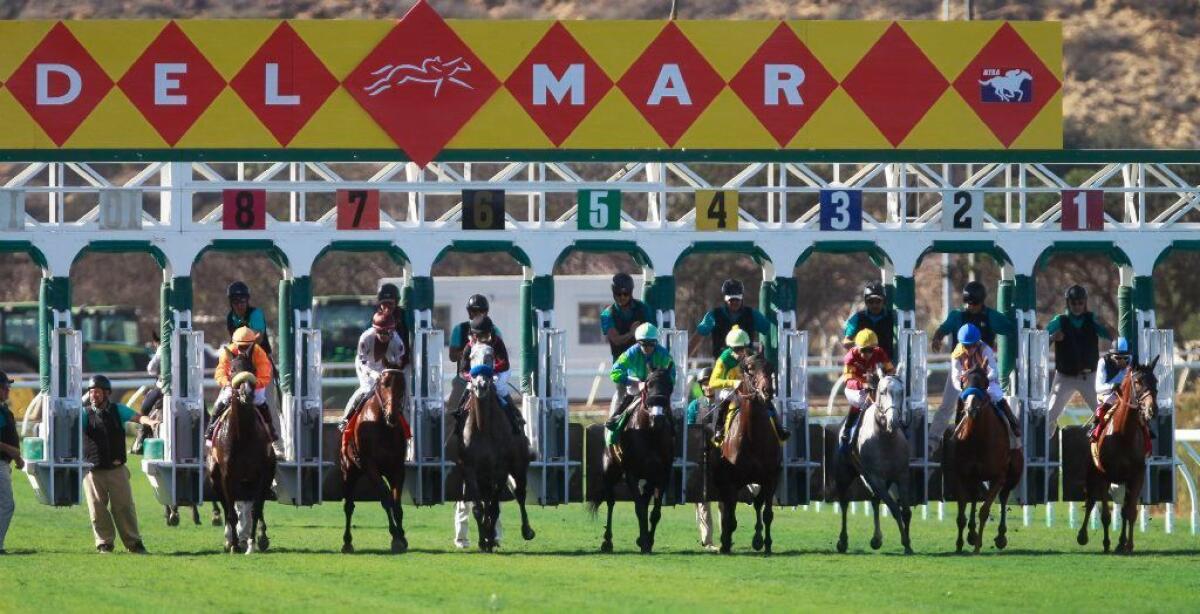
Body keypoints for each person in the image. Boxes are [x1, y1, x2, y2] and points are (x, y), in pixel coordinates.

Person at [452, 314, 515, 551]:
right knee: (460, 406)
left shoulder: (497, 343)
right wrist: (474, 375)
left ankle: (515, 422)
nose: (483, 338)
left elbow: (504, 364)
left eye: (486, 335)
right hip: (474, 382)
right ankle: (454, 428)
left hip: (495, 379)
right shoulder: (469, 346)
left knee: (504, 398)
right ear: (474, 335)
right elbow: (462, 371)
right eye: (480, 336)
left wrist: (490, 372)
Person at [929, 281, 1016, 443]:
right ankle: (932, 441)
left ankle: (1012, 433)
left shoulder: (991, 317)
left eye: (974, 303)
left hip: (983, 370)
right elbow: (944, 328)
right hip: (962, 370)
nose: (970, 306)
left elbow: (1011, 329)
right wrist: (937, 337)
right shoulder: (957, 316)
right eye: (967, 302)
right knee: (947, 405)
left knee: (997, 398)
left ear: (982, 301)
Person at [80, 375, 157, 553]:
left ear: (107, 393)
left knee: (124, 507)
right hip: (93, 471)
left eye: (97, 392)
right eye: (91, 392)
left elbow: (138, 418)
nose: (94, 395)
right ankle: (104, 543)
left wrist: (150, 422)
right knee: (97, 509)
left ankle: (134, 543)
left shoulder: (118, 410)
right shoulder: (84, 413)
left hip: (117, 469)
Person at [707, 326, 789, 445]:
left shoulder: (751, 355)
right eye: (736, 349)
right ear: (730, 347)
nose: (740, 352)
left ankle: (779, 428)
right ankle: (719, 430)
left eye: (742, 348)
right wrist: (733, 383)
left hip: (749, 389)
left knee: (766, 400)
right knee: (724, 400)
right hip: (730, 390)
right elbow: (713, 382)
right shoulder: (723, 360)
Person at [1046, 285, 1115, 426]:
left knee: (1104, 413)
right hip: (1064, 377)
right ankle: (1043, 443)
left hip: (1089, 377)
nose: (1077, 306)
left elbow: (1115, 338)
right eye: (1073, 303)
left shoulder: (1092, 319)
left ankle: (1106, 444)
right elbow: (1040, 341)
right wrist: (1052, 338)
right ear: (1068, 303)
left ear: (1085, 303)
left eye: (1080, 303)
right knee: (1050, 414)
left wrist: (1107, 325)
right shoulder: (1060, 320)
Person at [206, 327, 278, 453]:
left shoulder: (259, 353)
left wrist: (255, 383)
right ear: (234, 343)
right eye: (240, 346)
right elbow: (220, 372)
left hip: (254, 383)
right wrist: (227, 383)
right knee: (221, 401)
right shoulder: (228, 352)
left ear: (252, 344)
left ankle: (271, 431)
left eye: (246, 346)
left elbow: (265, 375)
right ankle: (210, 432)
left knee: (261, 401)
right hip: (232, 384)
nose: (242, 349)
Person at [948, 324, 1021, 440]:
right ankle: (957, 428)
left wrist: (982, 377)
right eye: (966, 346)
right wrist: (963, 384)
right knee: (960, 399)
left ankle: (1013, 423)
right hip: (967, 385)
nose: (969, 349)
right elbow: (955, 378)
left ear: (977, 342)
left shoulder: (985, 349)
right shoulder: (956, 354)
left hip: (986, 382)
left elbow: (994, 371)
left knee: (996, 395)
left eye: (972, 345)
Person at [338, 312, 406, 432]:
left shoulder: (398, 343)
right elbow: (362, 362)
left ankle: (405, 425)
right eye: (380, 332)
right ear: (375, 330)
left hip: (386, 367)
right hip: (366, 365)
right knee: (367, 389)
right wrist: (373, 374)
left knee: (395, 393)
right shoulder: (365, 338)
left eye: (387, 332)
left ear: (392, 331)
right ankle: (346, 418)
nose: (384, 336)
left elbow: (399, 365)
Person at [601, 273, 652, 422]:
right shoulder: (607, 314)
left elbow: (651, 333)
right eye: (618, 294)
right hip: (622, 361)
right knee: (622, 392)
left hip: (643, 359)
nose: (622, 297)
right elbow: (616, 340)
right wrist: (632, 332)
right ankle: (612, 425)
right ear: (613, 292)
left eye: (626, 293)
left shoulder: (643, 309)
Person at [608, 323, 677, 429]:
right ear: (638, 342)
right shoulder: (631, 353)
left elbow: (672, 375)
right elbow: (614, 372)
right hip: (635, 387)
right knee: (614, 422)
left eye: (651, 344)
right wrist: (634, 382)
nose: (648, 347)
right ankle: (612, 435)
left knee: (672, 421)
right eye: (644, 344)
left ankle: (675, 431)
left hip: (656, 390)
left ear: (656, 343)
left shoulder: (663, 354)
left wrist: (659, 384)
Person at [839, 329, 896, 452]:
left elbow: (891, 370)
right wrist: (862, 385)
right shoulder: (850, 357)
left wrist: (885, 379)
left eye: (871, 350)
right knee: (863, 400)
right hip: (854, 389)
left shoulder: (879, 352)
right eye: (864, 350)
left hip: (873, 386)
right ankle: (847, 431)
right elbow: (848, 380)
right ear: (857, 348)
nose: (868, 354)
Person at [691, 279, 772, 359]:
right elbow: (699, 335)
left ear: (742, 298)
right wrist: (684, 357)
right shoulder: (714, 316)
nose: (734, 302)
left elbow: (770, 332)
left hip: (745, 366)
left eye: (737, 299)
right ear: (725, 299)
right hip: (722, 363)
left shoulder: (752, 314)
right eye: (731, 299)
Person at [447, 295, 500, 414]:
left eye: (482, 311)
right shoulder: (459, 329)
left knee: (505, 399)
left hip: (490, 378)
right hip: (464, 378)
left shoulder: (495, 331)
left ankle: (516, 422)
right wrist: (473, 351)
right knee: (450, 410)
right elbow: (452, 356)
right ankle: (449, 430)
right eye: (474, 311)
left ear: (486, 312)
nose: (478, 314)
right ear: (469, 312)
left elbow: (499, 356)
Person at [686, 366, 718, 551]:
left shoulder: (726, 404)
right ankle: (708, 541)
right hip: (700, 458)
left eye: (711, 383)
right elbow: (691, 433)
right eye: (705, 384)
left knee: (723, 500)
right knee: (703, 502)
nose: (708, 387)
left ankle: (726, 537)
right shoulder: (694, 406)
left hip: (721, 457)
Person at [1089, 337, 1133, 442]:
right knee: (1108, 401)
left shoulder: (1132, 361)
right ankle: (1096, 429)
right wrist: (1112, 386)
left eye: (1124, 358)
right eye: (1117, 358)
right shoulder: (1103, 362)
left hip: (1127, 396)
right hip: (1108, 395)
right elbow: (1098, 388)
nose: (1121, 361)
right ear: (1111, 355)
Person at [842, 281, 898, 360]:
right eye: (870, 301)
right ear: (866, 302)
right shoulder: (857, 318)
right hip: (863, 363)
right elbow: (847, 340)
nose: (874, 305)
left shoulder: (892, 317)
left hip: (885, 363)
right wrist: (860, 346)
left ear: (884, 301)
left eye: (878, 301)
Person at [0, 372, 22, 555]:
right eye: (4, 386)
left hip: (4, 463)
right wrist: (13, 452)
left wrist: (17, 458)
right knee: (6, 505)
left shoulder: (3, 410)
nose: (8, 389)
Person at [226, 281, 272, 356]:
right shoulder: (230, 317)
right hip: (240, 357)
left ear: (247, 300)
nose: (239, 305)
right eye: (235, 301)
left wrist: (244, 348)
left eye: (242, 301)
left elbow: (259, 337)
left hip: (261, 355)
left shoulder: (255, 314)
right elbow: (234, 340)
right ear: (231, 302)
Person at [375, 283, 411, 370]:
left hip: (403, 365)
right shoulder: (376, 318)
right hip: (381, 366)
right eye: (384, 304)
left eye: (390, 303)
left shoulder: (404, 316)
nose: (387, 308)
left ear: (397, 302)